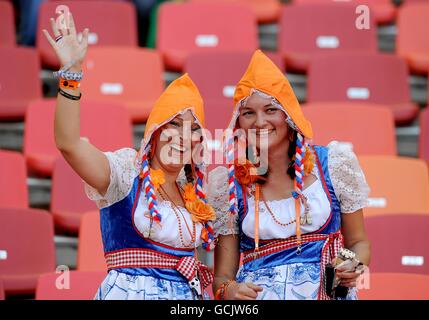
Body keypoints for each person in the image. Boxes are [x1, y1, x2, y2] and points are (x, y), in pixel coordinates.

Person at [42, 11, 216, 300]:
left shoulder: (196, 192)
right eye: (174, 125)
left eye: (193, 129)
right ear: (154, 132)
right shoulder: (125, 174)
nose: (183, 136)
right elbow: (69, 144)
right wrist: (70, 75)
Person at [209, 50, 371, 300]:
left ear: (289, 117)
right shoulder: (230, 185)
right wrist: (230, 291)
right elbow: (222, 279)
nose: (259, 122)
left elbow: (359, 243)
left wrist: (352, 265)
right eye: (248, 113)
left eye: (270, 110)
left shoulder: (332, 164)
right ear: (238, 123)